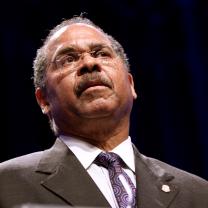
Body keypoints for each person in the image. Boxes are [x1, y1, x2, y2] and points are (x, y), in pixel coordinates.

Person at [0, 16, 208, 208]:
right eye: (69, 59)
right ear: (43, 100)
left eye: (101, 54)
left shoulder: (198, 194)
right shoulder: (6, 185)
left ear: (130, 84)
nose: (90, 63)